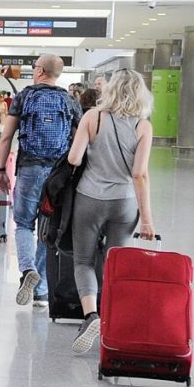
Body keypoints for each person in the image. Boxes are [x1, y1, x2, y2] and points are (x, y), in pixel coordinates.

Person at [66, 69, 155, 354]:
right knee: (115, 262)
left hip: (89, 198)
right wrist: (147, 220)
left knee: (83, 260)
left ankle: (91, 315)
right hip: (125, 202)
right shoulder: (144, 126)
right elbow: (140, 174)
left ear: (110, 90)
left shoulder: (93, 117)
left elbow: (74, 158)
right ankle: (114, 320)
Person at [0, 54, 82, 307]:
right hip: (58, 174)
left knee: (23, 223)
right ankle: (42, 291)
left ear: (41, 71)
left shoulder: (25, 96)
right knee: (48, 229)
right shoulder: (69, 101)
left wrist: (1, 169)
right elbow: (79, 142)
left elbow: (7, 137)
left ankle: (27, 271)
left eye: (35, 67)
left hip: (29, 168)